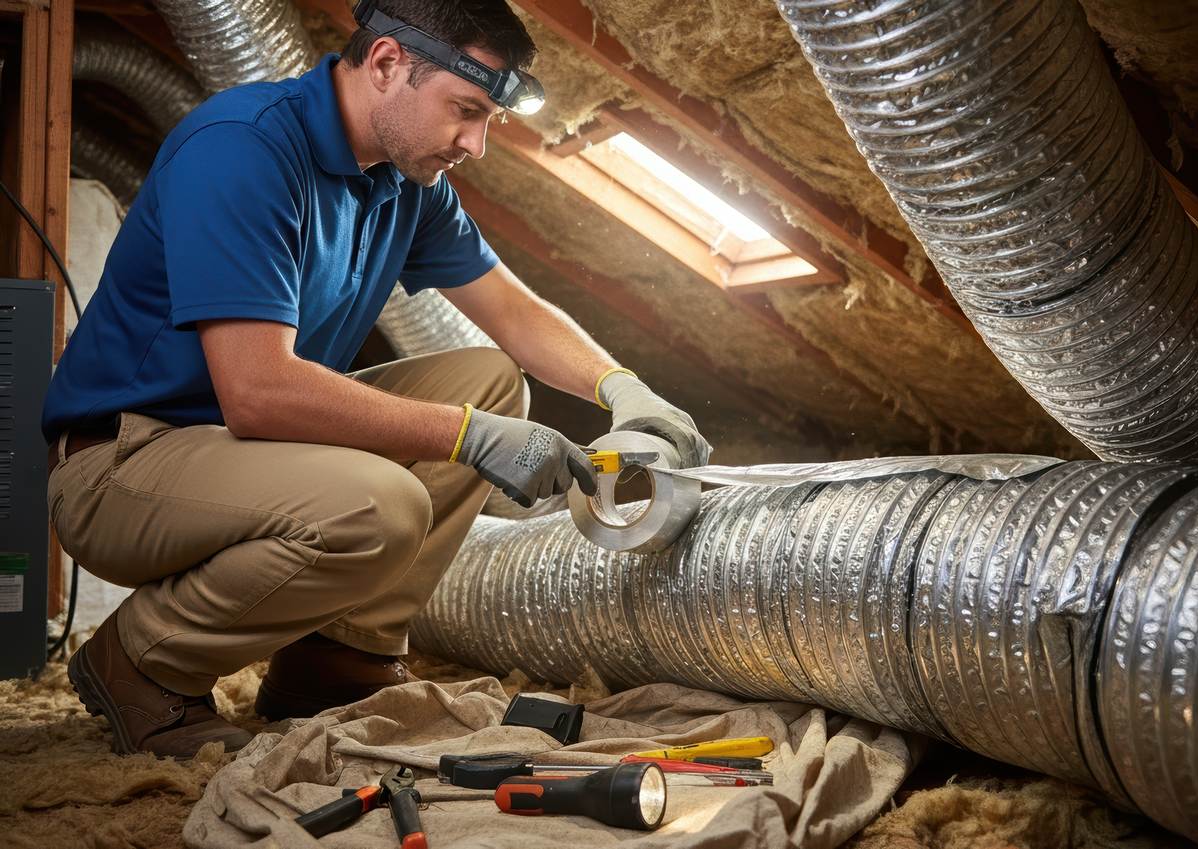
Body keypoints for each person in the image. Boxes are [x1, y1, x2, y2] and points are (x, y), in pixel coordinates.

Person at [43, 0, 709, 759]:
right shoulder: (243, 149)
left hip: (235, 447)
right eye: (465, 111)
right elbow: (257, 390)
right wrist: (468, 436)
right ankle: (139, 657)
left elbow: (514, 315)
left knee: (489, 380)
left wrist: (623, 386)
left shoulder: (405, 181)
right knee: (384, 507)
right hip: (120, 465)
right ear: (388, 63)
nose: (477, 143)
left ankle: (338, 658)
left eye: (488, 118)